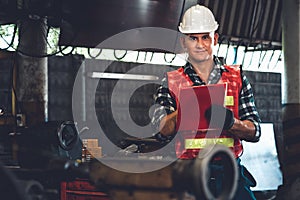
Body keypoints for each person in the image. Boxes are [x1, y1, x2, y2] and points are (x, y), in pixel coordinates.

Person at [151, 4, 261, 200]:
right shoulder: (171, 82)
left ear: (215, 39)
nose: (200, 44)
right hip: (188, 176)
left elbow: (255, 132)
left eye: (205, 37)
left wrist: (231, 123)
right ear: (184, 42)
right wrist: (186, 109)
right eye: (193, 38)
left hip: (230, 174)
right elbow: (162, 131)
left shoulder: (236, 78)